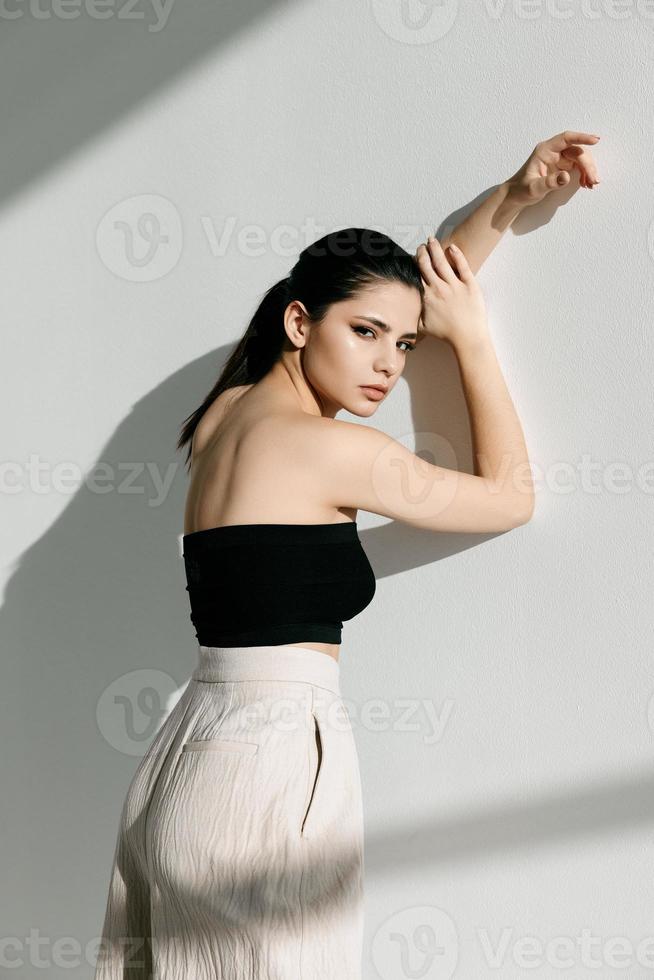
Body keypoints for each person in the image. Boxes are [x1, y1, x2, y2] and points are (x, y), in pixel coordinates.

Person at [93, 131, 600, 980]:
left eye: (404, 346)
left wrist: (511, 202)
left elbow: (391, 297)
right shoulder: (337, 454)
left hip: (189, 752)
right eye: (366, 336)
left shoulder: (228, 415)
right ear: (300, 320)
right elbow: (512, 497)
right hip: (270, 765)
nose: (389, 367)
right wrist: (470, 339)